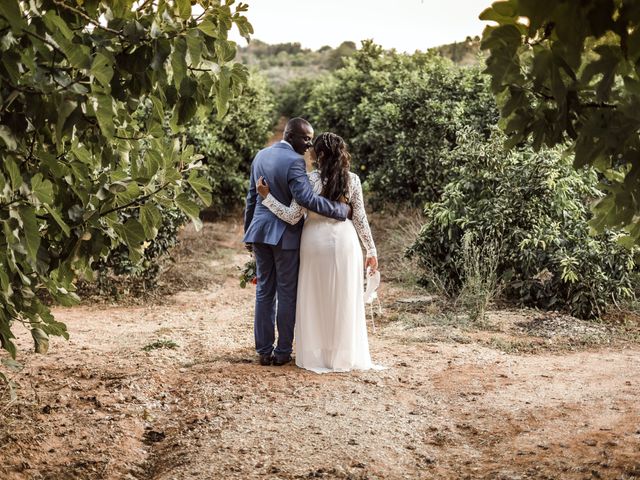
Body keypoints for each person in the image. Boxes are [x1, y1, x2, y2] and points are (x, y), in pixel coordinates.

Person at [257, 132, 383, 373]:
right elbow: (360, 218)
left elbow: (292, 216)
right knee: (343, 296)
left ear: (321, 154)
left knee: (315, 297)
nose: (309, 151)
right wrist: (371, 249)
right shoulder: (353, 180)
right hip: (345, 242)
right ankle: (342, 354)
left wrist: (267, 198)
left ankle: (318, 353)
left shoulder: (309, 180)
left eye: (313, 148)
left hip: (314, 241)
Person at [243, 118, 350, 366]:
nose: (309, 144)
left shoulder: (260, 155)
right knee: (287, 293)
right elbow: (305, 199)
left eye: (311, 138)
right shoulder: (294, 161)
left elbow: (251, 197)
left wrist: (248, 231)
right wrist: (340, 210)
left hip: (259, 232)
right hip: (285, 235)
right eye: (305, 138)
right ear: (290, 135)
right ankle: (281, 353)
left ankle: (263, 350)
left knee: (264, 292)